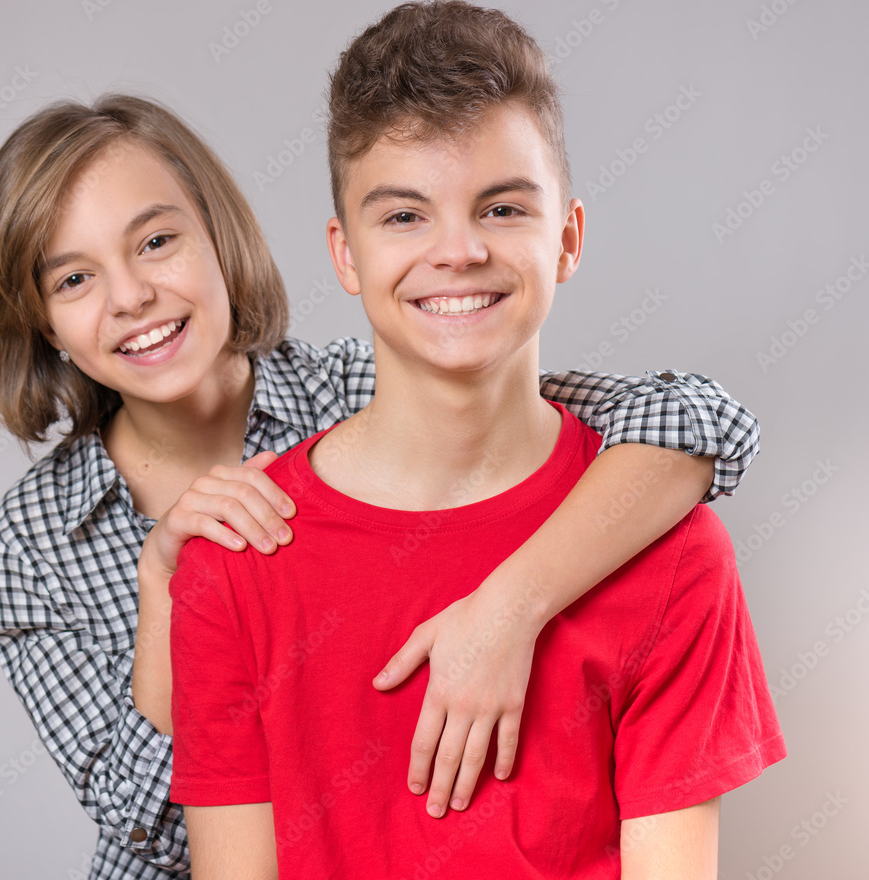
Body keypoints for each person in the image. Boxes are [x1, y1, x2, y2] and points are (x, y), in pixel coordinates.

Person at [0, 88, 758, 880]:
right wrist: (167, 595)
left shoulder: (354, 394)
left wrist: (507, 610)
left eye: (157, 241)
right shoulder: (35, 537)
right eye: (73, 281)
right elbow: (147, 833)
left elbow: (692, 423)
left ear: (218, 239)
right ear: (43, 325)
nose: (131, 296)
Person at [166, 3, 785, 877]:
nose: (456, 251)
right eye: (405, 217)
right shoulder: (237, 564)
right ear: (345, 256)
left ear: (566, 238)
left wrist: (511, 607)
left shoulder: (673, 553)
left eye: (500, 208)